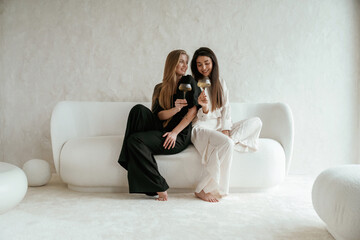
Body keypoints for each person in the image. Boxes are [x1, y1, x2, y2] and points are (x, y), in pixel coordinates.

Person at [118, 49, 200, 201]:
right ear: (172, 63)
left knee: (134, 141)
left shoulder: (188, 82)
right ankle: (136, 155)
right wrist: (175, 109)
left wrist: (174, 133)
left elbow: (192, 112)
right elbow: (159, 115)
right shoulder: (160, 88)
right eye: (181, 61)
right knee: (138, 111)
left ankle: (158, 185)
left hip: (178, 135)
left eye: (186, 62)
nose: (185, 65)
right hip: (162, 128)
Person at [190, 47, 263, 202]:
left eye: (206, 63)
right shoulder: (194, 84)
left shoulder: (221, 82)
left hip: (218, 128)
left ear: (213, 63)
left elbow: (226, 109)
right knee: (226, 143)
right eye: (199, 64)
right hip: (201, 129)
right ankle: (201, 189)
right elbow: (197, 117)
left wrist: (225, 129)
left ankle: (227, 142)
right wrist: (204, 107)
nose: (203, 68)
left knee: (256, 122)